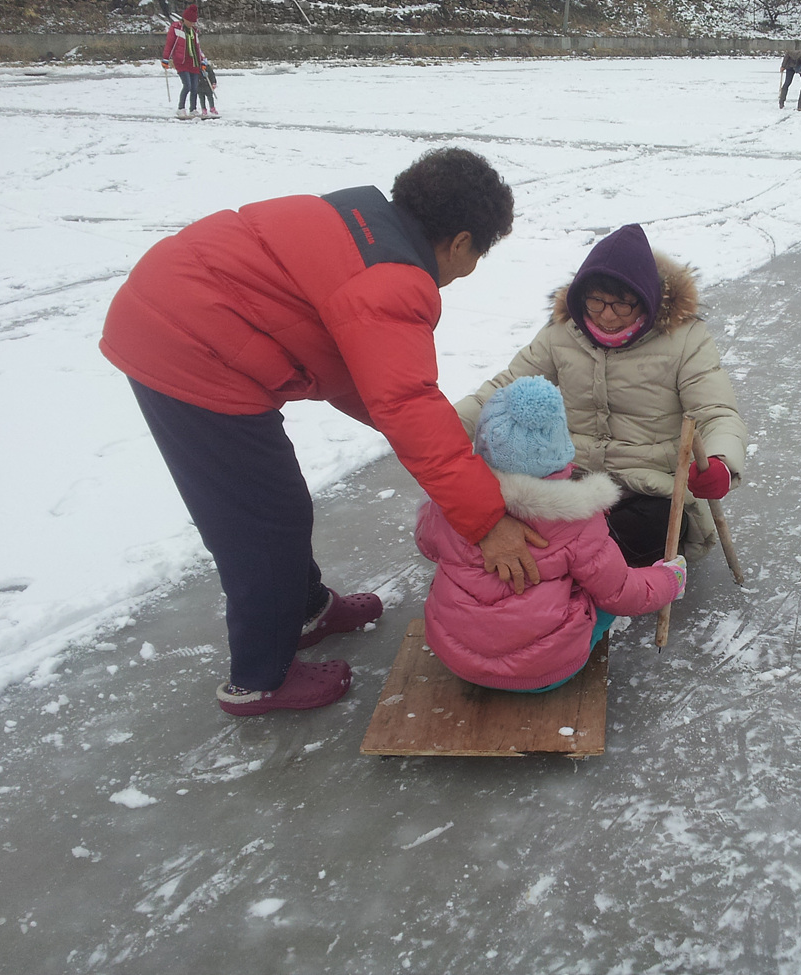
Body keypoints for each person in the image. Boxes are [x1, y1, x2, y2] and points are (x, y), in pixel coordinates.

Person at [100, 148, 544, 716]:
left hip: (184, 312)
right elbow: (405, 403)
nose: (472, 267)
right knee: (262, 522)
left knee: (278, 502)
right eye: (479, 252)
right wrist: (485, 521)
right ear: (460, 242)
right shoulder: (392, 282)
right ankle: (260, 679)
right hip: (188, 346)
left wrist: (456, 446)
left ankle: (305, 610)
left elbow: (372, 383)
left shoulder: (361, 224)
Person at [455, 224, 747, 569]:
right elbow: (504, 389)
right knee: (492, 514)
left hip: (648, 487)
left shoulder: (685, 340)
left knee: (642, 531)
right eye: (595, 301)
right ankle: (559, 571)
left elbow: (716, 412)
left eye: (623, 304)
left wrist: (721, 461)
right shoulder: (562, 333)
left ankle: (560, 570)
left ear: (647, 299)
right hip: (567, 480)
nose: (607, 315)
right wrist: (447, 423)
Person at [417, 377, 686, 692]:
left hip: (457, 658)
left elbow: (427, 544)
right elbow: (620, 592)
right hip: (541, 675)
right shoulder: (576, 521)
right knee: (598, 597)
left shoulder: (451, 505)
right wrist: (668, 580)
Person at [161, 3, 204, 120]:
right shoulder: (176, 29)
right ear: (185, 19)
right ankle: (181, 108)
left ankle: (193, 109)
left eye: (194, 22)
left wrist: (203, 60)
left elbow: (198, 48)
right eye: (190, 21)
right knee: (187, 85)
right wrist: (166, 58)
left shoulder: (194, 32)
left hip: (193, 62)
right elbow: (169, 44)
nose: (192, 24)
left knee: (195, 87)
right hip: (181, 62)